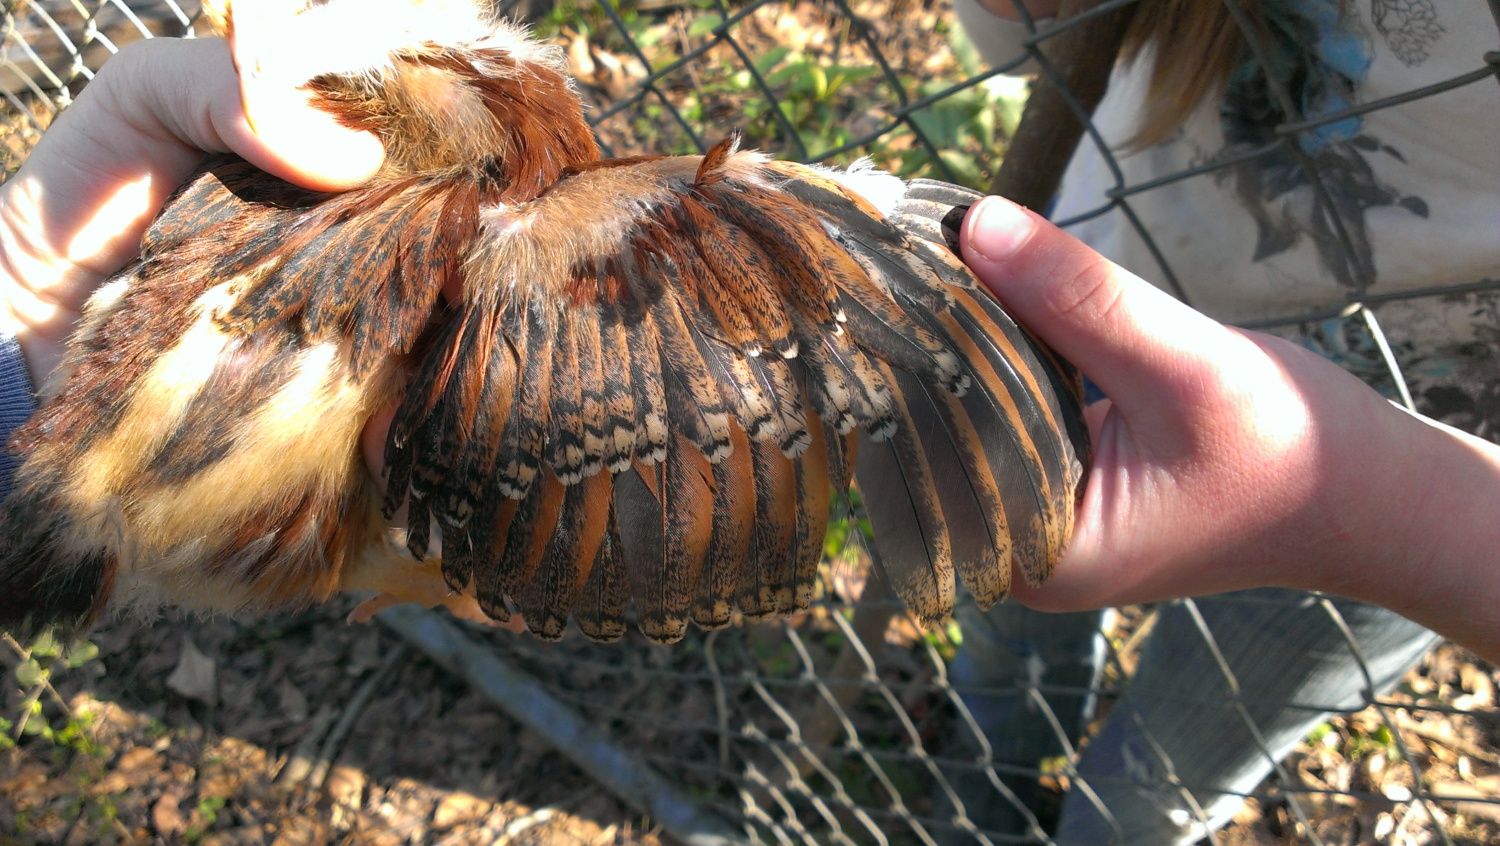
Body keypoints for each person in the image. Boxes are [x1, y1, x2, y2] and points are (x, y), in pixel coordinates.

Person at [0, 20, 1495, 834]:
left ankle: (1090, 810)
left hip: (1419, 384)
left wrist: (1384, 504)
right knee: (1031, 634)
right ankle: (991, 772)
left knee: (1165, 768)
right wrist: (36, 331)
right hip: (1117, 315)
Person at [949, 0, 1500, 841]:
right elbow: (1029, 47)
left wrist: (1402, 511)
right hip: (1075, 322)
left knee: (1146, 792)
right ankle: (982, 808)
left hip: (1420, 451)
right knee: (1004, 656)